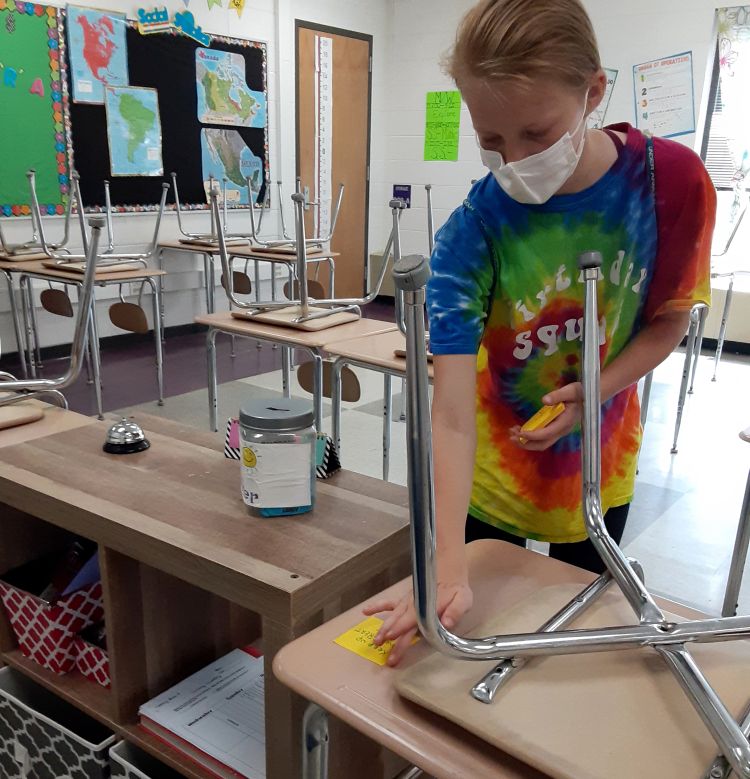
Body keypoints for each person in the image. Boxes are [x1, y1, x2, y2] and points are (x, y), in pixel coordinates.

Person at [366, 0, 716, 665]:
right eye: (491, 141)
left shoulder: (668, 183)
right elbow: (449, 413)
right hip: (492, 484)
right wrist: (442, 569)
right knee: (469, 650)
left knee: (573, 657)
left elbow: (669, 319)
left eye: (536, 132)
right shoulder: (474, 228)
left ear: (593, 92)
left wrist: (596, 388)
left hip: (597, 474)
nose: (516, 160)